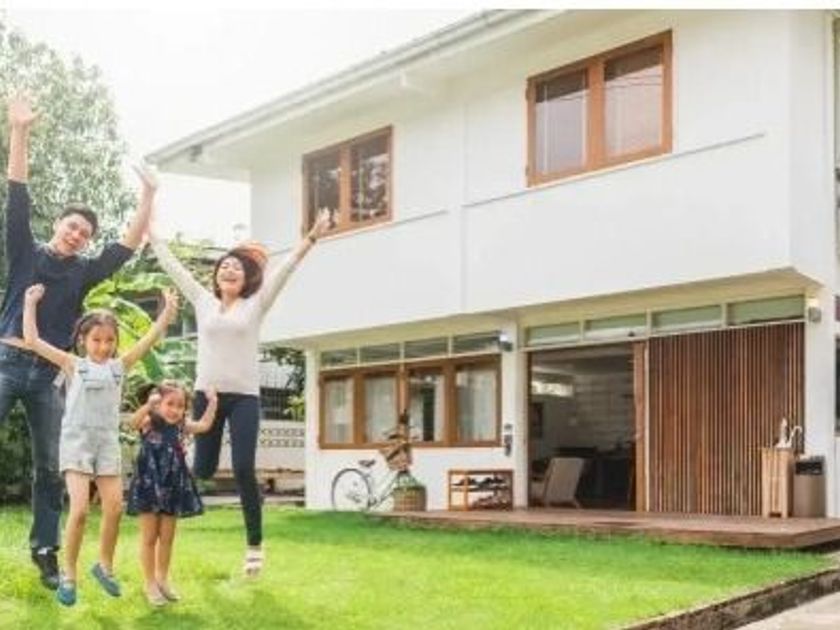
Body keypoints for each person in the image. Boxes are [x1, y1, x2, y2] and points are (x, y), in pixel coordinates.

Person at [0, 94, 157, 590]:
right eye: (72, 227)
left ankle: (45, 551)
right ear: (58, 226)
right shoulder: (25, 252)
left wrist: (148, 195)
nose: (77, 235)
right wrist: (20, 131)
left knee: (51, 466)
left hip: (50, 375)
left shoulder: (84, 272)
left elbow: (128, 245)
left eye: (85, 233)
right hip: (6, 361)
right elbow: (17, 194)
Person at [149, 208, 330, 576]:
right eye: (224, 266)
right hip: (207, 396)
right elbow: (174, 268)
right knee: (203, 469)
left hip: (245, 397)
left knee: (244, 467)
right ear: (216, 276)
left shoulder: (255, 305)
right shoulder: (202, 301)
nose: (229, 270)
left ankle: (254, 546)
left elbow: (286, 270)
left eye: (236, 267)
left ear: (246, 278)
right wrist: (150, 233)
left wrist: (311, 237)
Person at [22, 284, 179, 607]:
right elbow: (33, 341)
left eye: (110, 340)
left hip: (106, 443)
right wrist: (30, 303)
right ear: (83, 340)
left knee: (115, 508)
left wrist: (166, 312)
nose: (104, 347)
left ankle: (104, 566)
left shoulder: (119, 367)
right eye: (97, 340)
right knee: (79, 510)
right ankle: (69, 574)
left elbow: (150, 339)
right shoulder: (73, 364)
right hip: (77, 442)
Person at [126, 381, 218, 606]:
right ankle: (149, 583)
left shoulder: (181, 426)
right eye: (170, 404)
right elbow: (132, 423)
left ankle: (162, 579)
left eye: (180, 406)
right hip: (149, 484)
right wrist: (148, 406)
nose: (175, 410)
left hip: (173, 485)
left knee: (167, 538)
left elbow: (204, 425)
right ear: (159, 403)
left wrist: (213, 402)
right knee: (149, 538)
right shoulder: (150, 421)